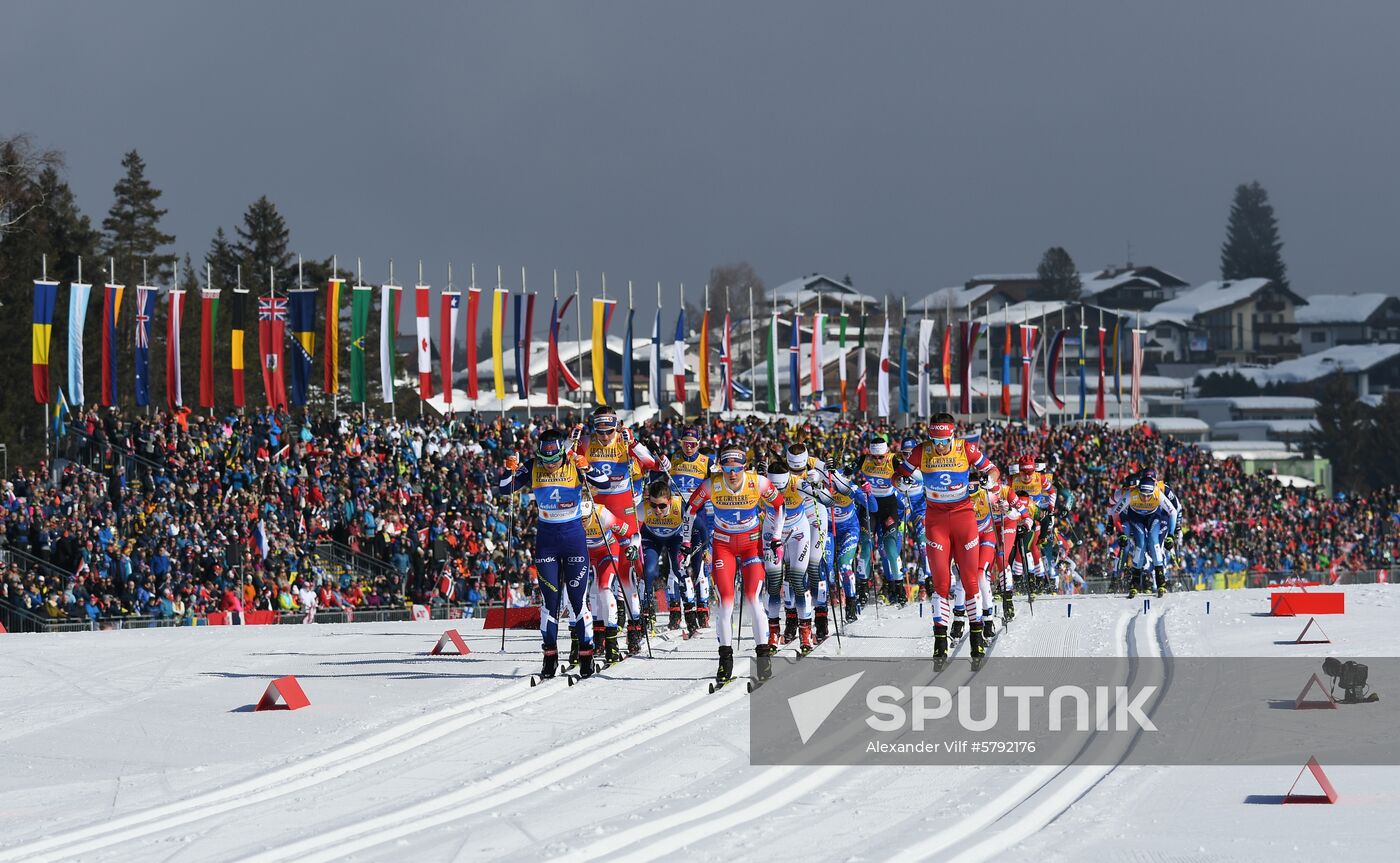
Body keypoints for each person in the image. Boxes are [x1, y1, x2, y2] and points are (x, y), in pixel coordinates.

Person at [499, 429, 608, 680]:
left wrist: (587, 468)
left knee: (578, 602)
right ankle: (549, 655)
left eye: (554, 460)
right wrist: (509, 469)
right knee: (550, 604)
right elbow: (506, 488)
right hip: (547, 542)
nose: (549, 466)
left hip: (574, 541)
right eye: (545, 460)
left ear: (562, 453)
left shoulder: (573, 462)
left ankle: (586, 654)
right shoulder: (534, 465)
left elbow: (603, 483)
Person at [897, 413, 1001, 666]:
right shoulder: (922, 451)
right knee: (942, 583)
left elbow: (993, 470)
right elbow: (898, 475)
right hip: (936, 521)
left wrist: (989, 479)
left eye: (944, 441)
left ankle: (976, 637)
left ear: (952, 436)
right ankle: (940, 641)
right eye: (935, 441)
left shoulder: (965, 448)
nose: (940, 447)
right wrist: (901, 482)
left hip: (963, 518)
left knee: (970, 580)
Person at [682, 444, 784, 685]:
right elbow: (690, 509)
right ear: (721, 467)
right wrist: (686, 541)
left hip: (751, 546)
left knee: (752, 599)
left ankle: (763, 659)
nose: (732, 474)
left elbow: (780, 506)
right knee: (725, 603)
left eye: (737, 468)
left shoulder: (757, 482)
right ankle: (725, 662)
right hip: (724, 546)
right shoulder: (711, 484)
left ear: (744, 467)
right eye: (727, 468)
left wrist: (777, 538)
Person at [573, 407, 663, 643]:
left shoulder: (624, 441)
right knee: (597, 575)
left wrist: (633, 443)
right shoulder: (586, 442)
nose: (604, 437)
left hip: (623, 510)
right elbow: (563, 456)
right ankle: (603, 628)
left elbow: (653, 464)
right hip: (597, 510)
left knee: (626, 572)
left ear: (617, 426)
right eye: (600, 431)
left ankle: (636, 624)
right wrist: (571, 443)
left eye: (609, 431)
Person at [1108, 468, 1180, 598]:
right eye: (1143, 495)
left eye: (1149, 495)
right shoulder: (1132, 494)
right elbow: (1114, 512)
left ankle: (1160, 580)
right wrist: (1121, 532)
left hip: (1154, 517)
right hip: (1137, 518)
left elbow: (1173, 512)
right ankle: (1134, 583)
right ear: (1138, 490)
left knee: (1154, 541)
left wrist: (1171, 535)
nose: (1146, 498)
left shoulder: (1158, 493)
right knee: (1140, 544)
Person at [667, 429, 713, 629]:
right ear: (680, 442)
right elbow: (658, 481)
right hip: (675, 516)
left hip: (698, 516)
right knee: (675, 564)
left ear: (699, 443)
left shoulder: (706, 461)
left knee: (699, 563)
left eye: (693, 443)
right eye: (686, 443)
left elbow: (717, 484)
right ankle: (675, 609)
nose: (689, 447)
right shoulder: (672, 459)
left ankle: (702, 607)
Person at [640, 480, 696, 637]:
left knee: (680, 569)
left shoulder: (680, 505)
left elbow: (699, 527)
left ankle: (691, 616)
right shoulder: (642, 508)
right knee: (648, 571)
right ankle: (645, 613)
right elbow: (631, 530)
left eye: (662, 506)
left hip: (675, 538)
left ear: (669, 502)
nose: (657, 510)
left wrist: (693, 547)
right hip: (652, 538)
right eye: (653, 505)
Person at [858, 435, 904, 604]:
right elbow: (844, 473)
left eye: (881, 457)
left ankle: (899, 590)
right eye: (874, 457)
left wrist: (905, 480)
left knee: (891, 550)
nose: (877, 461)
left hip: (888, 507)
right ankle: (861, 590)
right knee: (866, 547)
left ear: (886, 453)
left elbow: (908, 473)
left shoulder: (893, 460)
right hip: (869, 506)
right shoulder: (863, 459)